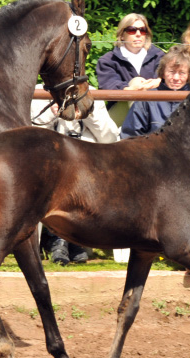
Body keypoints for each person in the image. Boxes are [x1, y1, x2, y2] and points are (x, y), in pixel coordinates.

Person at [31, 85, 120, 264]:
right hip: (50, 163)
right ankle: (59, 239)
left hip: (85, 165)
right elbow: (30, 134)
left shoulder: (91, 94)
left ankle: (69, 239)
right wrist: (51, 114)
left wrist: (88, 113)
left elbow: (109, 137)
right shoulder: (40, 92)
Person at [96, 13, 164, 125]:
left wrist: (158, 81)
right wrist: (131, 89)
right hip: (120, 111)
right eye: (132, 30)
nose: (138, 34)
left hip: (156, 108)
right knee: (137, 83)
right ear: (122, 35)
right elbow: (108, 86)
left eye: (142, 30)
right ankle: (146, 133)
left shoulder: (158, 56)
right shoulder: (108, 60)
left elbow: (171, 80)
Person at [120, 45, 190, 139]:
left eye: (182, 73)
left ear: (188, 75)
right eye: (172, 71)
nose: (176, 78)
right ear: (163, 73)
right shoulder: (146, 100)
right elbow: (130, 136)